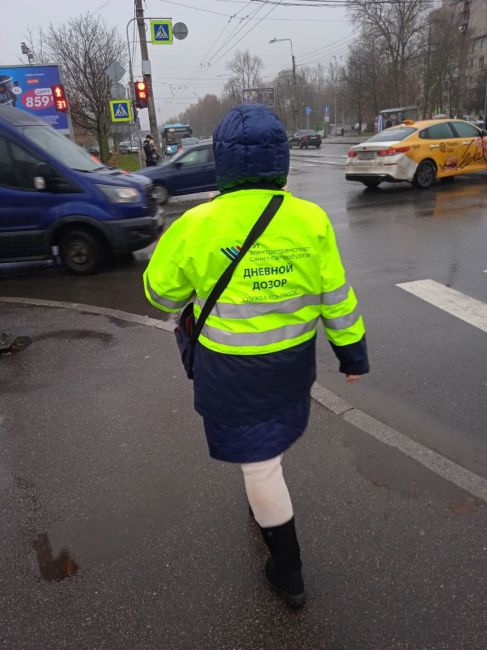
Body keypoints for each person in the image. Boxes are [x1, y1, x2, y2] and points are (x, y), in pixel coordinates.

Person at [143, 104, 369, 607]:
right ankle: (264, 497)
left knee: (259, 467)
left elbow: (159, 296)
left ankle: (287, 572)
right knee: (269, 446)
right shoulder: (311, 219)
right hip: (291, 367)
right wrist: (352, 354)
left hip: (232, 373)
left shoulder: (197, 223)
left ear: (223, 163)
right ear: (281, 161)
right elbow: (337, 296)